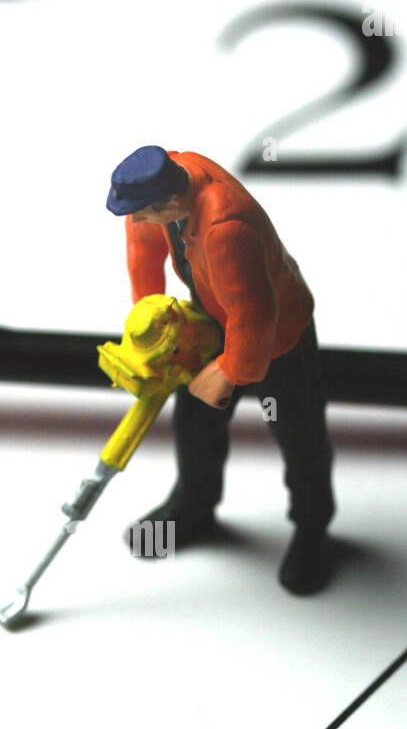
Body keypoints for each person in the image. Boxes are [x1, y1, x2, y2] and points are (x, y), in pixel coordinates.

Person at [107, 145, 336, 594]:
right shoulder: (160, 189)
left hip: (279, 338)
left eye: (140, 214)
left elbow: (256, 315)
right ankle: (195, 506)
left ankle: (314, 529)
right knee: (194, 423)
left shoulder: (226, 226)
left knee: (298, 434)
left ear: (169, 204)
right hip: (213, 318)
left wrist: (229, 370)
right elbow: (142, 251)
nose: (135, 221)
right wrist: (150, 328)